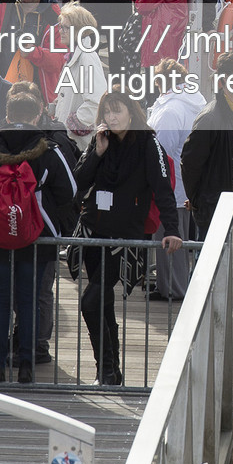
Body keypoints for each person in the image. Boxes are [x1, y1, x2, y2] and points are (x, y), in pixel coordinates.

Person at [0, 87, 77, 384]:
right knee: (29, 300)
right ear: (36, 116)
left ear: (7, 116)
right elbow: (69, 191)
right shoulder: (49, 149)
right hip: (37, 236)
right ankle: (26, 366)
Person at [75, 96, 182, 384]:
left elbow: (163, 189)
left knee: (90, 301)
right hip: (94, 232)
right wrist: (96, 153)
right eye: (107, 111)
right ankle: (110, 371)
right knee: (102, 301)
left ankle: (106, 370)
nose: (111, 117)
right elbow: (79, 181)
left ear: (131, 113)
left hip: (124, 237)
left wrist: (172, 229)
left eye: (117, 111)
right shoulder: (101, 139)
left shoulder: (148, 143)